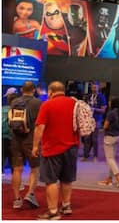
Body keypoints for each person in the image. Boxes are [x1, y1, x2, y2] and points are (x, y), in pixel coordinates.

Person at [32, 81, 79, 220]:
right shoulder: (75, 103)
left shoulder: (47, 104)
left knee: (51, 181)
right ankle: (66, 206)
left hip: (52, 148)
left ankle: (53, 212)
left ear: (50, 91)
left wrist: (35, 146)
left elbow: (40, 127)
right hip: (72, 147)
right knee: (67, 179)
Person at [10, 81, 42, 209]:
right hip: (31, 140)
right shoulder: (38, 103)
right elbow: (40, 124)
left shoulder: (14, 102)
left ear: (22, 90)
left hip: (16, 139)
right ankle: (30, 193)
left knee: (17, 169)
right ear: (34, 90)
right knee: (35, 168)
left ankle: (17, 199)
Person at [98, 97, 119, 188]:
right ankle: (109, 179)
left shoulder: (111, 113)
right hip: (117, 136)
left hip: (109, 136)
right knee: (112, 158)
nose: (109, 103)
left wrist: (103, 127)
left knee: (109, 158)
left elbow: (105, 126)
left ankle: (118, 176)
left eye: (110, 101)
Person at [3, 91, 18, 175]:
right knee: (13, 158)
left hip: (2, 136)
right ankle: (14, 174)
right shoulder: (17, 110)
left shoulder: (2, 109)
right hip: (13, 137)